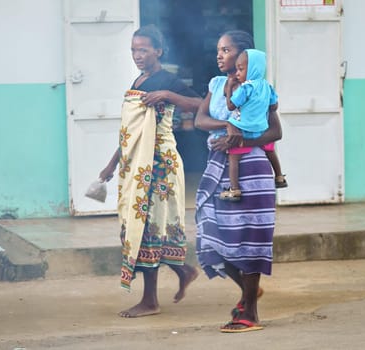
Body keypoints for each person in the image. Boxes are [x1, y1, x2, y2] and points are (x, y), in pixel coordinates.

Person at [99, 24, 201, 318]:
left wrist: (168, 94)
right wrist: (111, 164)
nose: (137, 55)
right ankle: (184, 271)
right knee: (142, 227)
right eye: (133, 50)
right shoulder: (140, 79)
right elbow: (132, 132)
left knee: (149, 227)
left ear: (159, 50)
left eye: (143, 49)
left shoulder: (167, 80)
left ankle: (150, 301)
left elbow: (201, 104)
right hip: (137, 163)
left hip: (159, 164)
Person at [194, 30, 282, 333]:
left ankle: (250, 312)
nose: (219, 55)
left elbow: (275, 132)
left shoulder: (260, 88)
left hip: (252, 167)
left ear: (243, 54)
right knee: (210, 233)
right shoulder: (216, 84)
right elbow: (200, 120)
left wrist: (241, 137)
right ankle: (248, 291)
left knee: (249, 236)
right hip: (218, 167)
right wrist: (228, 125)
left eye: (226, 49)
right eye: (218, 50)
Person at [220, 48, 281, 201]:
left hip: (244, 129)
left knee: (233, 156)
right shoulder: (267, 87)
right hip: (261, 129)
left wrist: (228, 89)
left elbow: (230, 106)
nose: (238, 73)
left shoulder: (246, 87)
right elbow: (274, 107)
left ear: (253, 68)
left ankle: (234, 189)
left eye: (241, 69)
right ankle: (279, 176)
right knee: (270, 149)